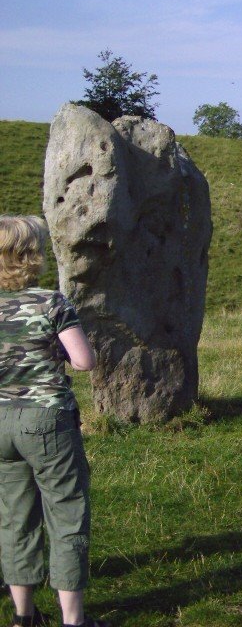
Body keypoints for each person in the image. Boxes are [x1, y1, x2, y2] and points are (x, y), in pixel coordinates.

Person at [0, 216, 107, 627]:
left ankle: (23, 616)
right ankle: (73, 620)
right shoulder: (50, 302)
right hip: (47, 422)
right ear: (29, 256)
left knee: (15, 518)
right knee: (66, 513)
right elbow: (84, 361)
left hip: (1, 424)